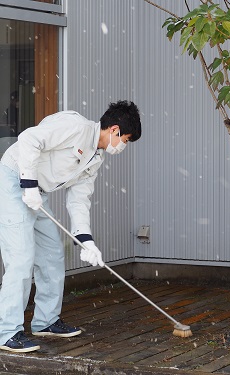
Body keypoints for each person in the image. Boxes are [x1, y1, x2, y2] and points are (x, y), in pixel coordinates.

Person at [0, 100, 142, 353]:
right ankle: (7, 332)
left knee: (53, 255)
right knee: (20, 258)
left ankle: (46, 321)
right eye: (126, 140)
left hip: (37, 192)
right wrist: (29, 183)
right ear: (115, 130)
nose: (123, 146)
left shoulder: (94, 159)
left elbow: (79, 200)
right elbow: (29, 138)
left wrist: (86, 241)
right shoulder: (75, 127)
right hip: (14, 179)